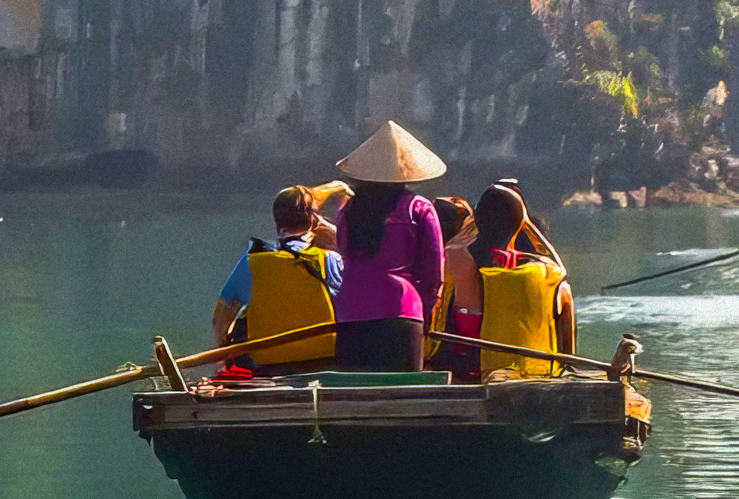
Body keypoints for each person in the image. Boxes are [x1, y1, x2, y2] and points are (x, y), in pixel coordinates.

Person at [330, 121, 446, 372]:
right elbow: (433, 274)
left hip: (351, 314)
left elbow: (345, 256)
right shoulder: (419, 207)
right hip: (402, 313)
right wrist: (424, 314)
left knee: (353, 400)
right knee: (404, 398)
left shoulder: (348, 210)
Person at [439, 183, 575, 380]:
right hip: (532, 375)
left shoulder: (452, 261)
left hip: (466, 372)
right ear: (520, 225)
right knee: (563, 292)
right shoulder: (548, 274)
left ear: (477, 220)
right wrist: (527, 225)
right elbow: (559, 268)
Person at [210, 186, 345, 375]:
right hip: (322, 359)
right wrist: (335, 238)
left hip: (264, 364)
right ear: (313, 220)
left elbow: (219, 321)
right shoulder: (331, 260)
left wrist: (224, 355)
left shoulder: (251, 262)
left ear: (277, 221)